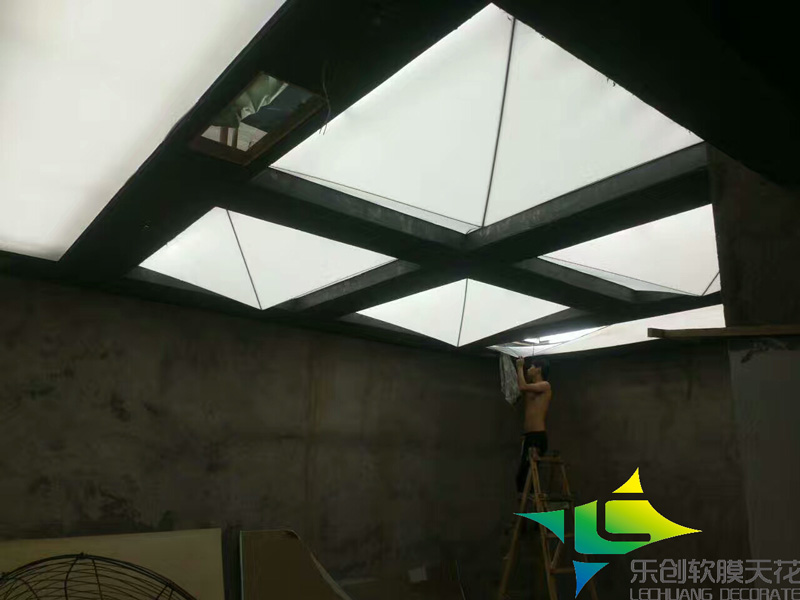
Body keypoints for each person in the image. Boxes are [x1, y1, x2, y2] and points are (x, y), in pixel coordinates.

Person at [515, 357, 552, 493]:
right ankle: (529, 503)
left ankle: (532, 504)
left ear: (538, 369)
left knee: (525, 478)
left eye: (531, 367)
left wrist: (520, 367)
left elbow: (523, 386)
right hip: (529, 436)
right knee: (523, 478)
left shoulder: (545, 385)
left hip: (537, 436)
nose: (528, 369)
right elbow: (522, 387)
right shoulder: (532, 388)